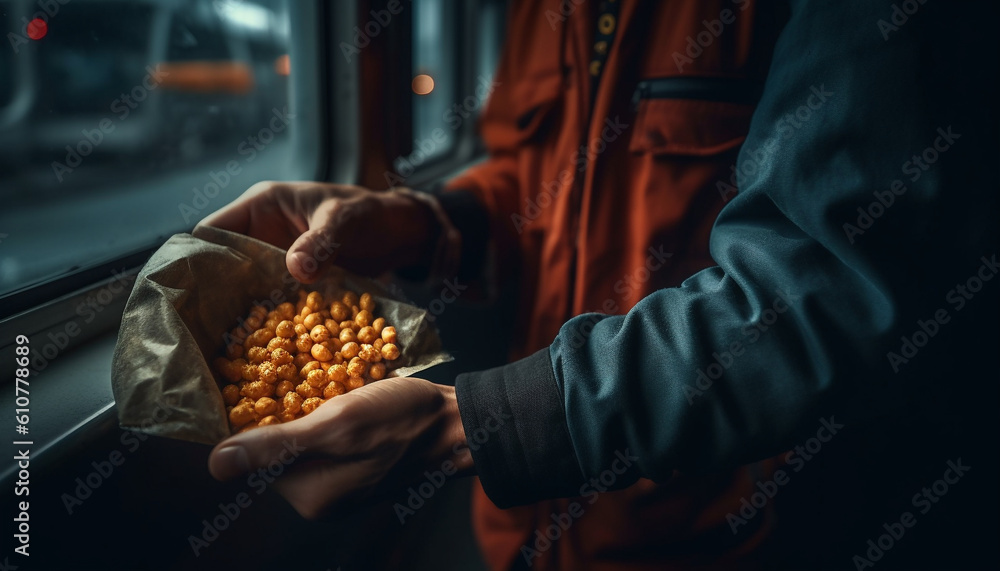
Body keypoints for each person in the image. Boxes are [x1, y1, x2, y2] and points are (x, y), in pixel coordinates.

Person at [203, 1, 998, 569]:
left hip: (733, 531)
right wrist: (418, 223)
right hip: (525, 526)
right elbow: (538, 180)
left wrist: (464, 428)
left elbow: (822, 281)